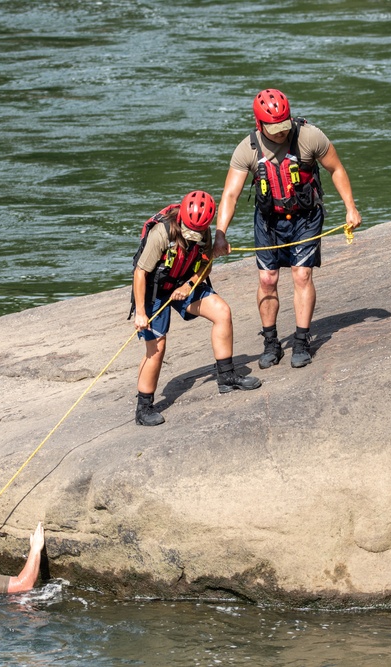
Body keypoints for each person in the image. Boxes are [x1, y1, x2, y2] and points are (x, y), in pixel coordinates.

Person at [213, 89, 362, 369]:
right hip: (269, 221)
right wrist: (221, 233)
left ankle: (302, 341)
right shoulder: (247, 149)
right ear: (259, 125)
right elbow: (230, 195)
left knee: (301, 275)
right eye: (274, 129)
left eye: (284, 127)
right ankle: (271, 342)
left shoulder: (310, 137)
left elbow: (337, 169)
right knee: (267, 279)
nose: (282, 133)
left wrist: (350, 207)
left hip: (306, 216)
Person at [132, 190, 261, 427]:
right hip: (154, 291)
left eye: (199, 232)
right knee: (156, 348)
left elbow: (205, 265)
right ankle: (144, 407)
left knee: (222, 312)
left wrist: (189, 284)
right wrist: (141, 311)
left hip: (184, 285)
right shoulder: (162, 233)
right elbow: (140, 273)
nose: (195, 237)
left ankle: (226, 377)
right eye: (191, 232)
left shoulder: (204, 232)